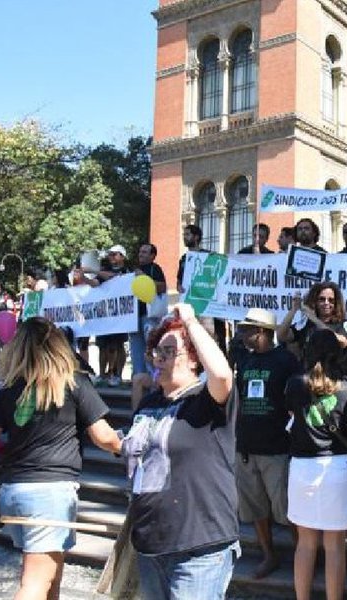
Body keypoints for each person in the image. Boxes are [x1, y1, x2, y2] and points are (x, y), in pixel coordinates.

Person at [0, 318, 122, 600]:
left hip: (14, 491)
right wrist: (129, 448)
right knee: (35, 584)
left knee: (51, 574)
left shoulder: (9, 389)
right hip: (50, 494)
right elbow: (104, 437)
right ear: (58, 345)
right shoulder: (74, 382)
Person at [122, 304, 237, 599]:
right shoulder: (149, 404)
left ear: (195, 360)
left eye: (170, 351)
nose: (159, 358)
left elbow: (223, 375)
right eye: (157, 352)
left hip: (198, 545)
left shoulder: (206, 400)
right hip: (150, 542)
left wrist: (189, 320)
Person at [285, 329, 347, 600]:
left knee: (306, 543)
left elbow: (291, 415)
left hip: (302, 467)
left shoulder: (294, 384)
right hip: (336, 465)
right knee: (335, 546)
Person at [233, 308, 301, 579]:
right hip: (246, 447)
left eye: (247, 329)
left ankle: (302, 556)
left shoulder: (285, 361)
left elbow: (298, 398)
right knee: (255, 507)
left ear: (261, 331)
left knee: (286, 509)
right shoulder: (245, 361)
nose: (242, 334)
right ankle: (268, 555)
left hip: (277, 448)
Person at [277, 281, 347, 370]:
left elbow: (343, 342)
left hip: (335, 379)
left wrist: (314, 319)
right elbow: (282, 336)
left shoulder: (344, 323)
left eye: (331, 300)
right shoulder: (306, 324)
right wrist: (294, 309)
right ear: (315, 301)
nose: (326, 303)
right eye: (322, 299)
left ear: (336, 303)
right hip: (309, 377)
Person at [95, 244, 131, 386]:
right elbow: (95, 282)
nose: (110, 257)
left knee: (118, 344)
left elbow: (114, 278)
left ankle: (117, 374)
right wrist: (84, 278)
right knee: (102, 345)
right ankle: (102, 374)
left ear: (122, 256)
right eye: (109, 254)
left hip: (121, 314)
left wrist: (92, 270)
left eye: (114, 254)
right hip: (104, 314)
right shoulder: (104, 270)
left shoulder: (128, 271)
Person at [131, 242, 168, 378]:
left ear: (153, 256)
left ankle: (156, 378)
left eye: (145, 252)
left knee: (150, 347)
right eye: (140, 251)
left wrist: (144, 278)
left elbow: (163, 287)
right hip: (133, 316)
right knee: (136, 350)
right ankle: (139, 378)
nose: (141, 254)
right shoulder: (133, 271)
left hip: (150, 315)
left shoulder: (155, 269)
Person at [176, 224, 203, 295]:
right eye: (184, 235)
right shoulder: (184, 258)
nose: (184, 237)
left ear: (196, 237)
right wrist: (178, 286)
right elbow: (179, 279)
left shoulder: (207, 255)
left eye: (187, 234)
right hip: (187, 297)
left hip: (203, 299)